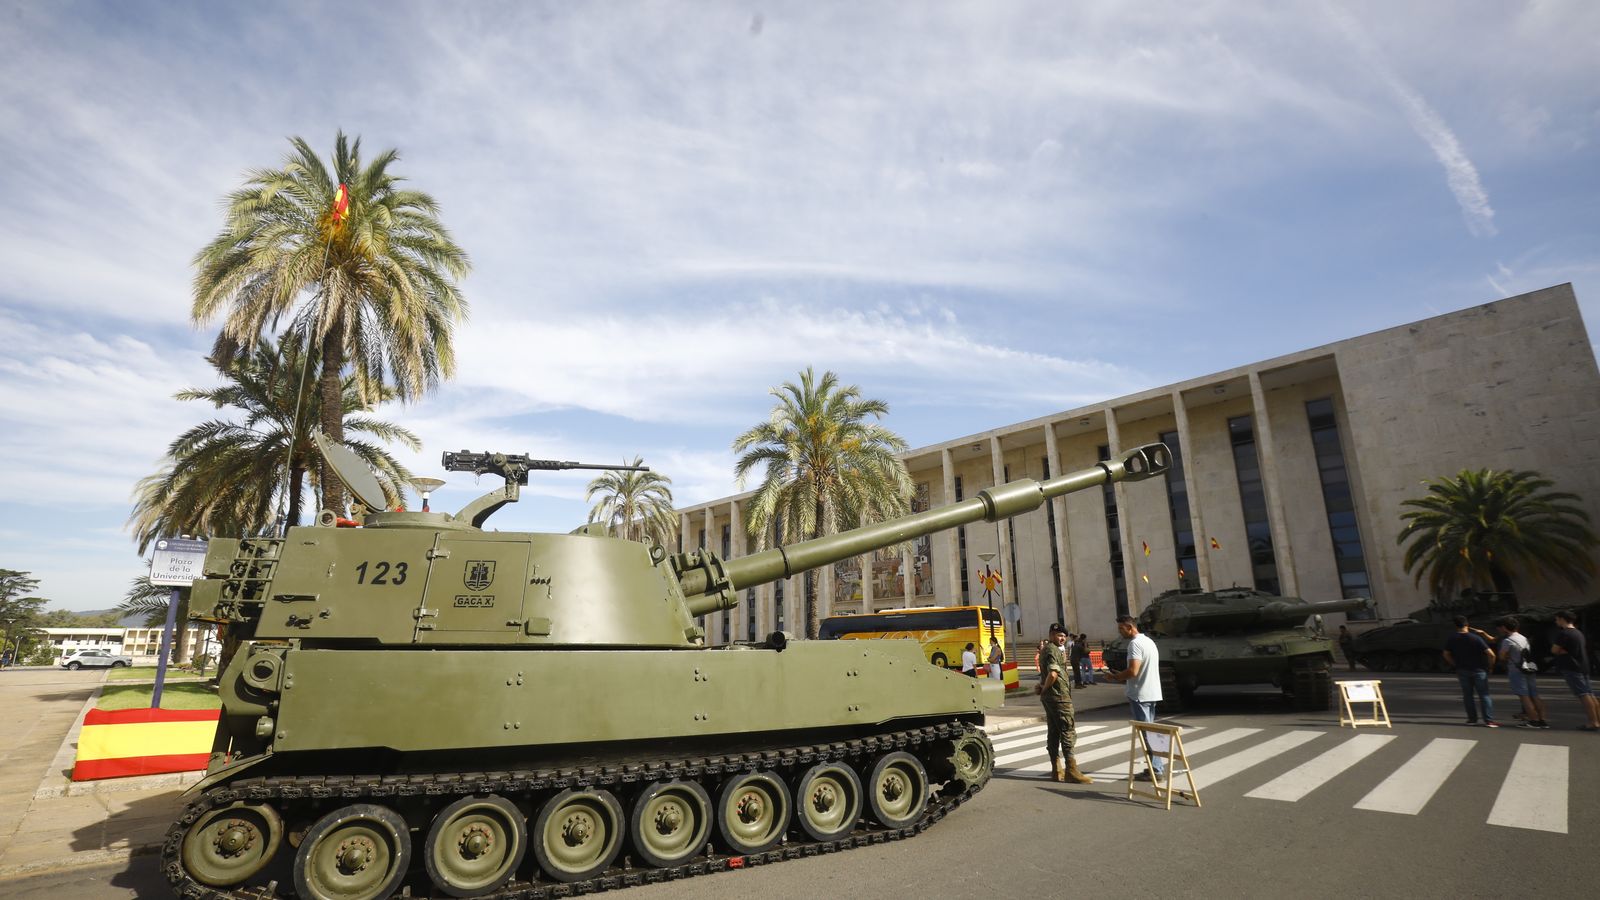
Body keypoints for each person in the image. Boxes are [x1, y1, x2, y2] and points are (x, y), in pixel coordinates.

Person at [1104, 615, 1164, 781]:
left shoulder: (1135, 644)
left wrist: (1115, 677)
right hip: (1151, 692)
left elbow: (1133, 671)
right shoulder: (1149, 641)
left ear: (1130, 627)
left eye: (1121, 629)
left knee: (1147, 733)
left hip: (1140, 694)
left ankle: (1156, 770)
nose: (1120, 632)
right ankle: (1156, 767)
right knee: (1150, 731)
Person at [1034, 624, 1092, 783]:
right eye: (1059, 635)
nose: (1063, 639)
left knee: (1054, 731)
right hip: (1059, 696)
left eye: (1064, 636)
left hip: (1051, 697)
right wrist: (1045, 688)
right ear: (1051, 635)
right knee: (1067, 730)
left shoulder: (1047, 649)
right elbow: (1053, 674)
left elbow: (1046, 673)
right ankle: (1071, 770)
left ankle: (1056, 769)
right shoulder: (1052, 650)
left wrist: (1042, 688)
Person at [1442, 615, 1498, 727]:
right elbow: (1491, 654)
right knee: (1484, 695)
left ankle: (1472, 719)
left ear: (1455, 626)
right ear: (1467, 624)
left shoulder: (1452, 638)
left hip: (1462, 669)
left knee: (1468, 695)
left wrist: (1455, 664)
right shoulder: (1476, 638)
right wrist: (1490, 667)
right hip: (1479, 670)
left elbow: (1446, 654)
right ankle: (1489, 720)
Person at [1550, 610, 1600, 731]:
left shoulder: (1564, 633)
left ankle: (1593, 722)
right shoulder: (1578, 633)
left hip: (1571, 666)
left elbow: (1554, 650)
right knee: (1590, 694)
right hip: (1583, 665)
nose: (1556, 622)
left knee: (1583, 694)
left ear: (1562, 619)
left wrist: (1561, 651)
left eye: (1557, 619)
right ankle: (1597, 720)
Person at [1496, 617, 1549, 729]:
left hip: (1517, 670)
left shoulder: (1508, 640)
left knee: (1524, 696)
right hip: (1529, 668)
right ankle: (1542, 720)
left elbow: (1502, 656)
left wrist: (1507, 656)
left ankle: (1533, 720)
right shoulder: (1524, 638)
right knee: (1534, 695)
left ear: (1504, 628)